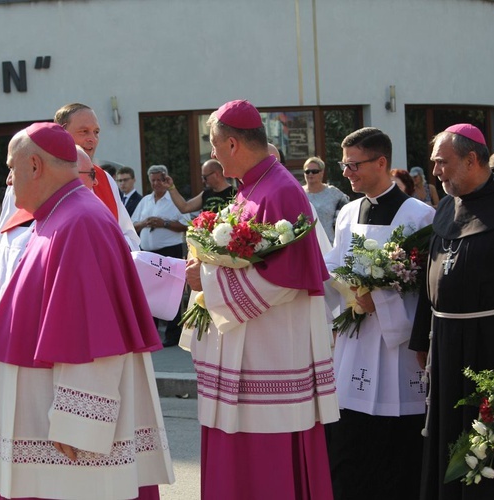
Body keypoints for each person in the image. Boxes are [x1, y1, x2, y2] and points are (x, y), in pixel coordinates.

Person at [0, 122, 174, 499]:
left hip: (64, 434)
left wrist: (80, 421)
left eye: (10, 169)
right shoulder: (59, 216)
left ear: (34, 166)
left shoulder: (79, 221)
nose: (9, 180)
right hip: (44, 411)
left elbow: (92, 329)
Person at [184, 100, 338, 499]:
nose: (212, 155)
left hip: (270, 354)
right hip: (248, 346)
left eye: (214, 145)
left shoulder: (280, 189)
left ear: (233, 143)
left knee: (265, 466)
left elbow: (286, 279)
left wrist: (207, 279)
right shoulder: (252, 188)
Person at [324, 127, 434, 500]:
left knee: (395, 449)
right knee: (350, 443)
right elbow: (335, 267)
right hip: (354, 341)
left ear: (382, 162)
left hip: (398, 348)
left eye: (353, 164)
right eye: (345, 164)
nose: (346, 173)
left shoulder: (420, 217)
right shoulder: (347, 212)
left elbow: (426, 287)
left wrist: (381, 301)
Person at [410, 123, 494, 500]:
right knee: (447, 433)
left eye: (442, 163)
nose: (435, 172)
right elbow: (430, 279)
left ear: (472, 159)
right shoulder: (448, 204)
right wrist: (422, 337)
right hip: (447, 343)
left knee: (490, 438)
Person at [55, 102, 140, 250]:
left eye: (96, 132)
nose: (92, 139)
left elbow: (129, 237)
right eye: (84, 131)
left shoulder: (106, 180)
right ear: (62, 132)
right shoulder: (36, 181)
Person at [131, 164, 189, 347]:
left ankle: (173, 335)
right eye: (153, 180)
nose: (156, 184)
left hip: (169, 251)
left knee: (171, 293)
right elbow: (132, 224)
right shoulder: (146, 201)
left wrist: (164, 223)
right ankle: (151, 334)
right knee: (150, 294)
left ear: (166, 180)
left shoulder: (174, 200)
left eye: (159, 180)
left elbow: (187, 224)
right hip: (149, 252)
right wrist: (144, 223)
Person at [302, 156, 349, 242]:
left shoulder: (334, 193)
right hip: (307, 243)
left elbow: (346, 217)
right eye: (307, 171)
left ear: (322, 172)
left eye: (314, 171)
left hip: (329, 242)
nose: (310, 174)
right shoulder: (299, 194)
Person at [164, 159, 236, 214]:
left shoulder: (235, 193)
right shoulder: (206, 193)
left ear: (216, 174)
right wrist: (171, 187)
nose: (203, 181)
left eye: (205, 177)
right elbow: (185, 208)